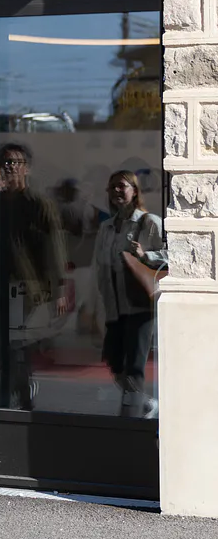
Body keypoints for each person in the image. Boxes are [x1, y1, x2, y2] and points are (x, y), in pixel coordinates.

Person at [0, 143, 68, 409]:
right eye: (6, 163)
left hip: (27, 286)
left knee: (18, 346)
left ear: (26, 168)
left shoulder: (39, 205)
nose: (10, 168)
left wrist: (59, 289)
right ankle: (7, 398)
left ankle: (20, 399)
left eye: (15, 163)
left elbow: (55, 248)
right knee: (3, 346)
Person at [93, 170, 166, 418]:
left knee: (134, 365)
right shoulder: (106, 227)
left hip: (139, 305)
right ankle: (145, 403)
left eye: (122, 186)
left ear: (134, 191)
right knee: (114, 360)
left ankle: (131, 418)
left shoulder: (149, 222)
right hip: (115, 305)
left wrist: (146, 255)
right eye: (112, 186)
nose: (116, 191)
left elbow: (172, 256)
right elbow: (100, 266)